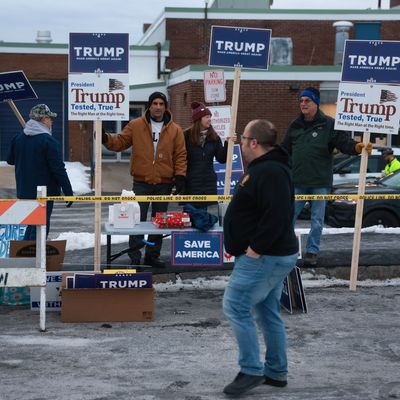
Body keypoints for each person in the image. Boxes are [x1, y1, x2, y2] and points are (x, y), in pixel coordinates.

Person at [222, 119, 299, 396]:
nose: (240, 143)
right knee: (266, 311)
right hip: (270, 255)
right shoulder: (265, 169)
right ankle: (276, 373)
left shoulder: (270, 172)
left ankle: (251, 370)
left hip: (264, 256)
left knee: (235, 305)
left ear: (254, 142)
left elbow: (277, 215)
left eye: (243, 138)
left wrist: (256, 248)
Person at [282, 87, 372, 266]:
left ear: (316, 103)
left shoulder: (329, 124)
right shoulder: (295, 125)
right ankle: (285, 248)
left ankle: (312, 252)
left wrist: (357, 148)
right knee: (288, 216)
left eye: (307, 100)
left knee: (316, 220)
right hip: (298, 180)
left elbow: (344, 143)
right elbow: (284, 151)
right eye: (301, 100)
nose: (303, 104)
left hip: (319, 182)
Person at [102, 92, 186, 268]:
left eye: (161, 103)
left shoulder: (175, 130)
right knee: (136, 221)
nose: (157, 107)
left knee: (159, 222)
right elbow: (120, 142)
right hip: (141, 183)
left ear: (165, 107)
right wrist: (106, 138)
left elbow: (180, 155)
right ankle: (134, 256)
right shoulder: (136, 125)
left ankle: (152, 256)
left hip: (164, 183)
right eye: (154, 103)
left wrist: (180, 176)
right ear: (149, 106)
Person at [7, 104, 73, 240]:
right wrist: (68, 191)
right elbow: (58, 168)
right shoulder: (48, 141)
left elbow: (10, 160)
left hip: (24, 190)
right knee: (40, 228)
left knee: (32, 224)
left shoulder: (18, 138)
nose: (52, 122)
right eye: (50, 119)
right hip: (44, 193)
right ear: (43, 120)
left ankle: (25, 256)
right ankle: (34, 258)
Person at [183, 101, 236, 209]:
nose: (210, 119)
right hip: (191, 182)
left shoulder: (214, 137)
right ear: (199, 119)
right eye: (207, 117)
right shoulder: (186, 136)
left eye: (210, 117)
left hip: (208, 183)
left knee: (203, 217)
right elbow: (180, 158)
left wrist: (228, 143)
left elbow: (221, 158)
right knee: (190, 215)